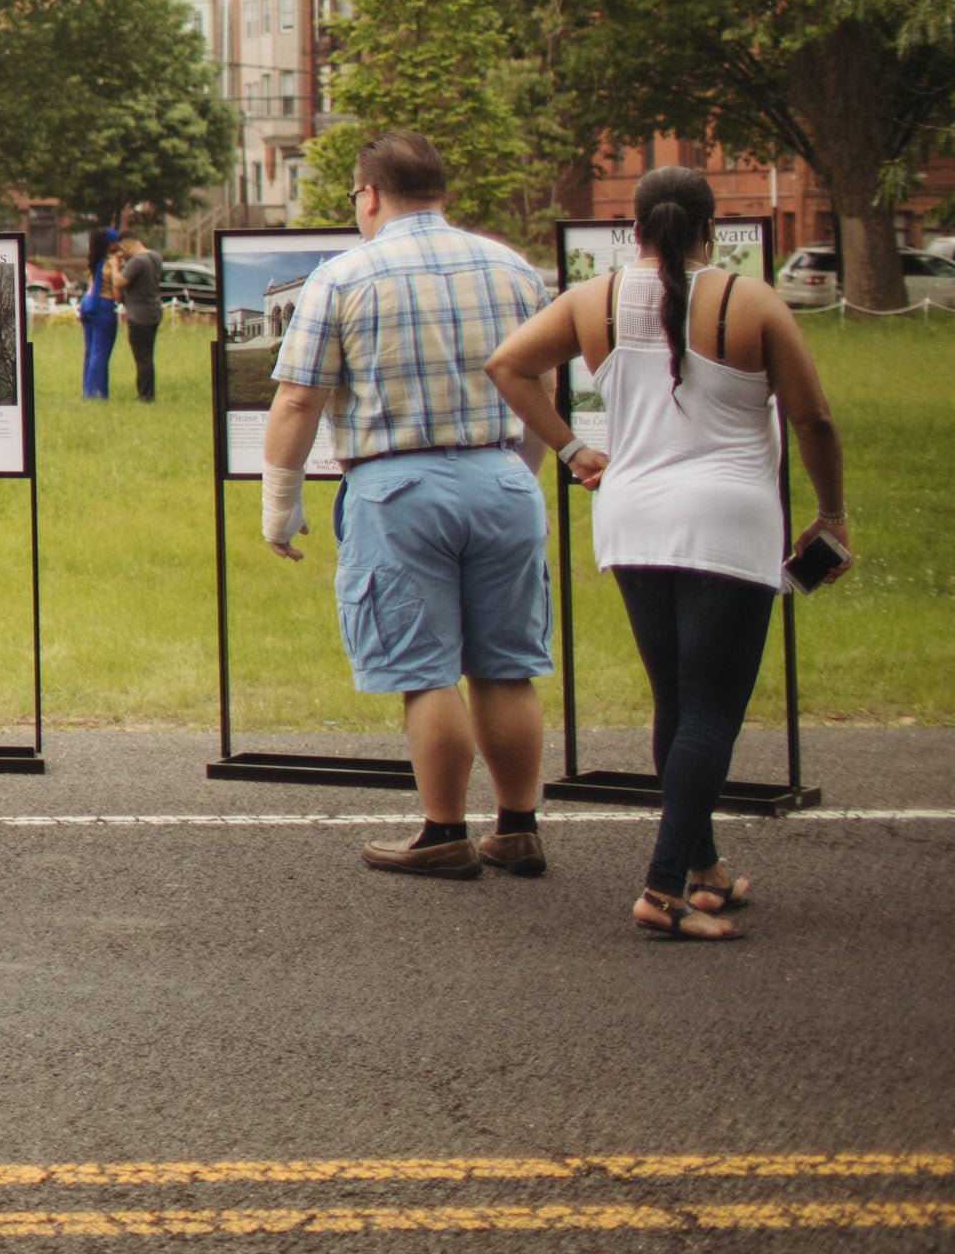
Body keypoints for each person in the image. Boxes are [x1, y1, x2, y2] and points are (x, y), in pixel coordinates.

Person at [483, 166, 854, 941]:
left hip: (633, 516)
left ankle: (704, 869)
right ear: (711, 229)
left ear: (637, 230)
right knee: (712, 709)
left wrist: (575, 449)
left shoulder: (597, 298)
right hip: (728, 517)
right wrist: (832, 513)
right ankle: (660, 889)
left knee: (678, 704)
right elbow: (813, 419)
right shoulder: (750, 301)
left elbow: (507, 366)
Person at [260, 128, 555, 880]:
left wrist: (280, 503)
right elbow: (543, 390)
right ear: (442, 191)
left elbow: (297, 399)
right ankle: (518, 826)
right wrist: (516, 468)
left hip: (398, 486)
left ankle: (444, 830)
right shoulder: (513, 267)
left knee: (426, 670)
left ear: (368, 194)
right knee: (506, 665)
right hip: (502, 478)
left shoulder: (345, 275)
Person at [112, 232, 165, 403]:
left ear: (126, 245)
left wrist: (114, 265)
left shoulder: (138, 261)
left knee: (141, 357)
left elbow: (119, 282)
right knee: (148, 355)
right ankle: (148, 392)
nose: (122, 252)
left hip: (139, 314)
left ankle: (145, 396)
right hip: (153, 310)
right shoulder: (155, 256)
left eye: (122, 249)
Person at [77, 226, 120, 401]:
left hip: (87, 302)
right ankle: (98, 393)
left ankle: (87, 390)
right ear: (110, 245)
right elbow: (117, 290)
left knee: (89, 350)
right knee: (100, 352)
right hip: (103, 304)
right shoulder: (111, 262)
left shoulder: (94, 260)